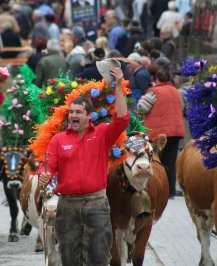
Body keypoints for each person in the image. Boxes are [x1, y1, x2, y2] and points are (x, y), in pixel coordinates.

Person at [38, 67, 129, 266]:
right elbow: (48, 165)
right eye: (71, 112)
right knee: (69, 258)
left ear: (89, 116)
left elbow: (122, 119)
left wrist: (119, 86)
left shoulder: (102, 134)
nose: (73, 115)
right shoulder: (58, 140)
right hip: (68, 206)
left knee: (98, 256)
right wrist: (44, 174)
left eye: (78, 112)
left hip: (96, 204)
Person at [136, 68, 184, 199]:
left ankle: (157, 190)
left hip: (158, 133)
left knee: (155, 160)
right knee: (170, 161)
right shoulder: (175, 91)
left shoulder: (153, 92)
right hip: (175, 131)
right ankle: (170, 192)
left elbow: (141, 108)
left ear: (155, 79)